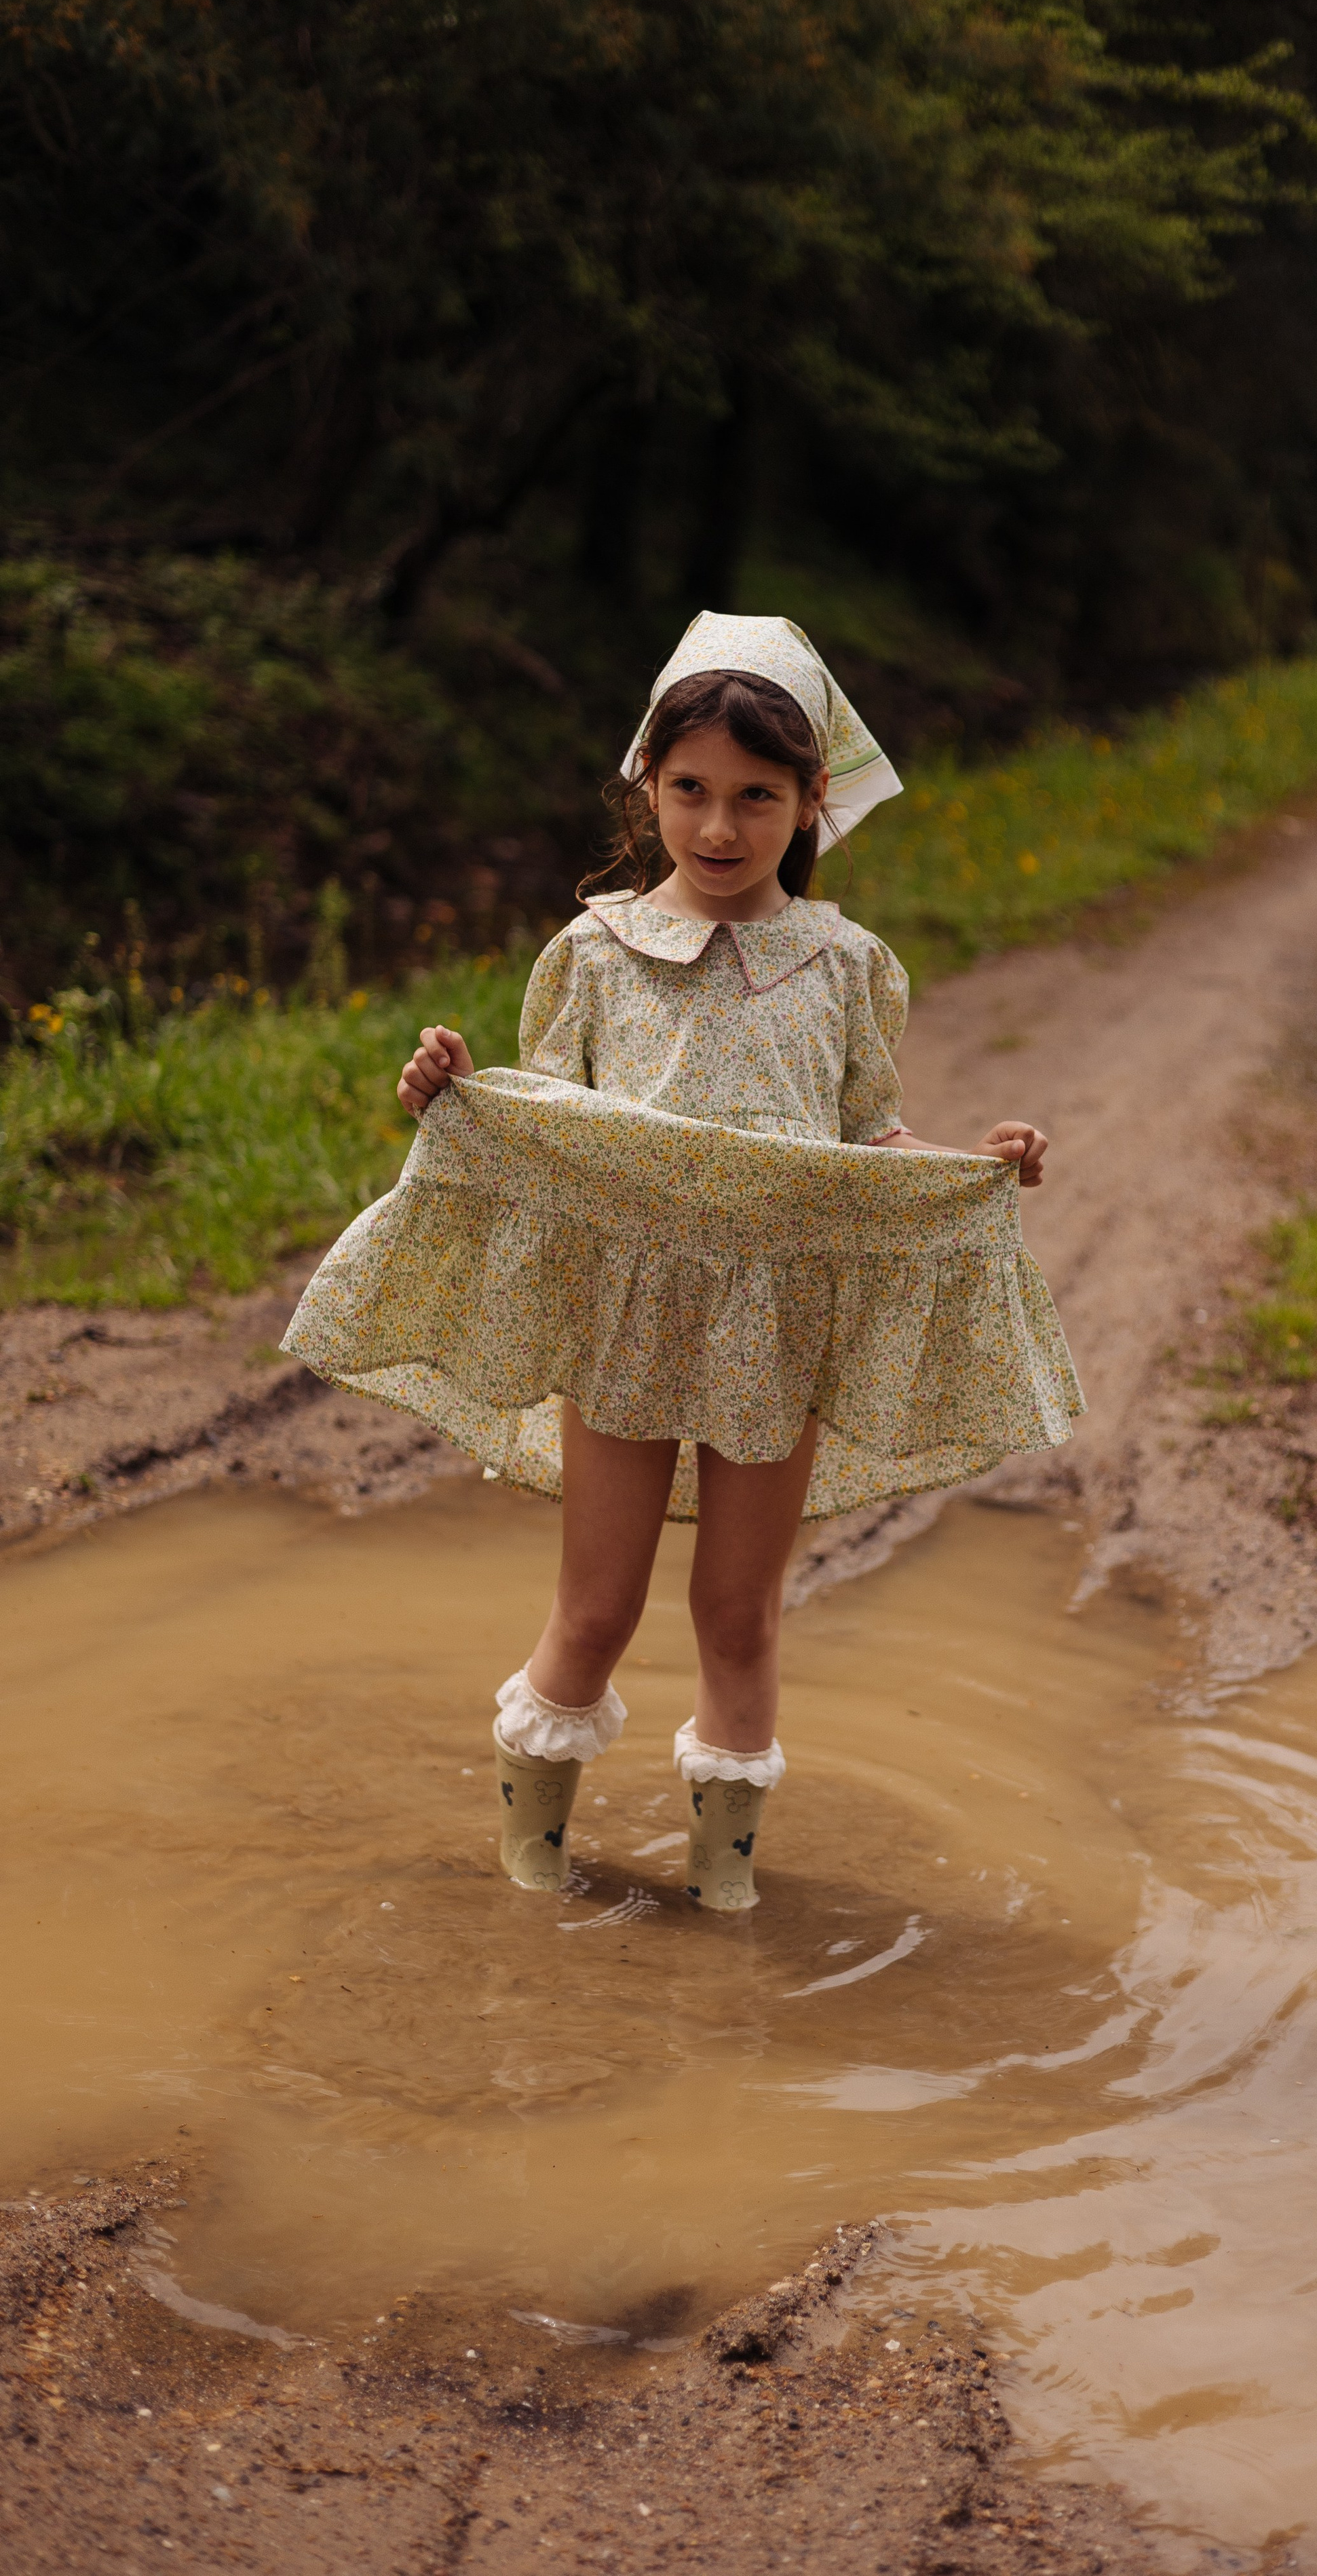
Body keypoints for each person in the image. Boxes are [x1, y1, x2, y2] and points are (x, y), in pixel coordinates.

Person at [282, 612, 1082, 1912]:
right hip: (626, 1325)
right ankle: (531, 1862)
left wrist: (974, 1165)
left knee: (739, 1616)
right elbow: (553, 1139)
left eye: (756, 798)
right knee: (595, 1612)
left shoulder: (848, 968)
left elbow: (869, 1138)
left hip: (777, 1330)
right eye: (690, 792)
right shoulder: (590, 953)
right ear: (645, 786)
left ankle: (727, 1885)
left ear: (813, 799)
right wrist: (455, 1093)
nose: (718, 829)